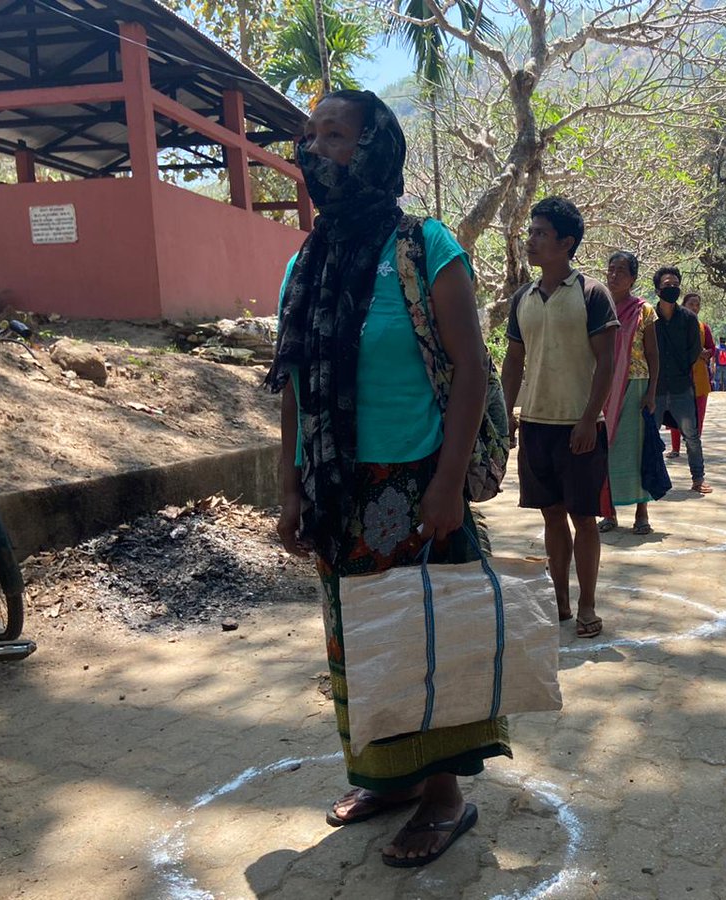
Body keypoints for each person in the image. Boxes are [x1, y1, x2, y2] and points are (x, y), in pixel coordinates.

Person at [269, 90, 505, 867]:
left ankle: (443, 795)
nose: (314, 149)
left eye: (332, 135)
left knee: (425, 639)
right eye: (308, 136)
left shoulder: (424, 245)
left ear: (374, 149)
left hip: (415, 486)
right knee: (362, 643)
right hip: (339, 488)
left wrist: (444, 485)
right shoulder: (306, 263)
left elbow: (471, 371)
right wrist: (291, 488)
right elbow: (295, 385)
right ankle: (390, 777)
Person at [502, 197, 617, 637]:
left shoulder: (591, 294)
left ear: (566, 243)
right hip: (536, 425)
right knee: (550, 515)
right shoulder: (523, 298)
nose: (530, 241)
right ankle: (561, 603)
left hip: (579, 427)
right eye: (530, 232)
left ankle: (588, 605)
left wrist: (590, 419)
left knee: (583, 517)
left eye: (540, 234)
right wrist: (507, 415)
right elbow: (513, 363)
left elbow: (605, 362)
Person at [597, 251, 659, 535]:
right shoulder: (598, 306)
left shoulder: (644, 311)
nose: (614, 275)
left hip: (635, 386)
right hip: (603, 386)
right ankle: (608, 512)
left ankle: (641, 511)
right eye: (611, 269)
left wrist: (651, 392)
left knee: (635, 451)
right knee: (604, 449)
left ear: (633, 277)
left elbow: (653, 355)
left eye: (622, 270)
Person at [653, 266, 713, 494]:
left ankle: (698, 479)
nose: (671, 289)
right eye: (667, 285)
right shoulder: (649, 317)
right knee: (649, 437)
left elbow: (694, 350)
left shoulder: (688, 319)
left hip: (681, 386)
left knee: (692, 436)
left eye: (675, 285)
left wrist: (679, 369)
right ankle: (651, 481)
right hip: (655, 388)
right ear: (657, 288)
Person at [670, 292, 713, 456]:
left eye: (697, 305)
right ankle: (675, 448)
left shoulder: (704, 327)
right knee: (675, 413)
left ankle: (694, 448)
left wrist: (706, 353)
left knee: (698, 413)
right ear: (683, 305)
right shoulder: (673, 326)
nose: (695, 307)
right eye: (691, 304)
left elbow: (711, 348)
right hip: (679, 376)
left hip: (700, 377)